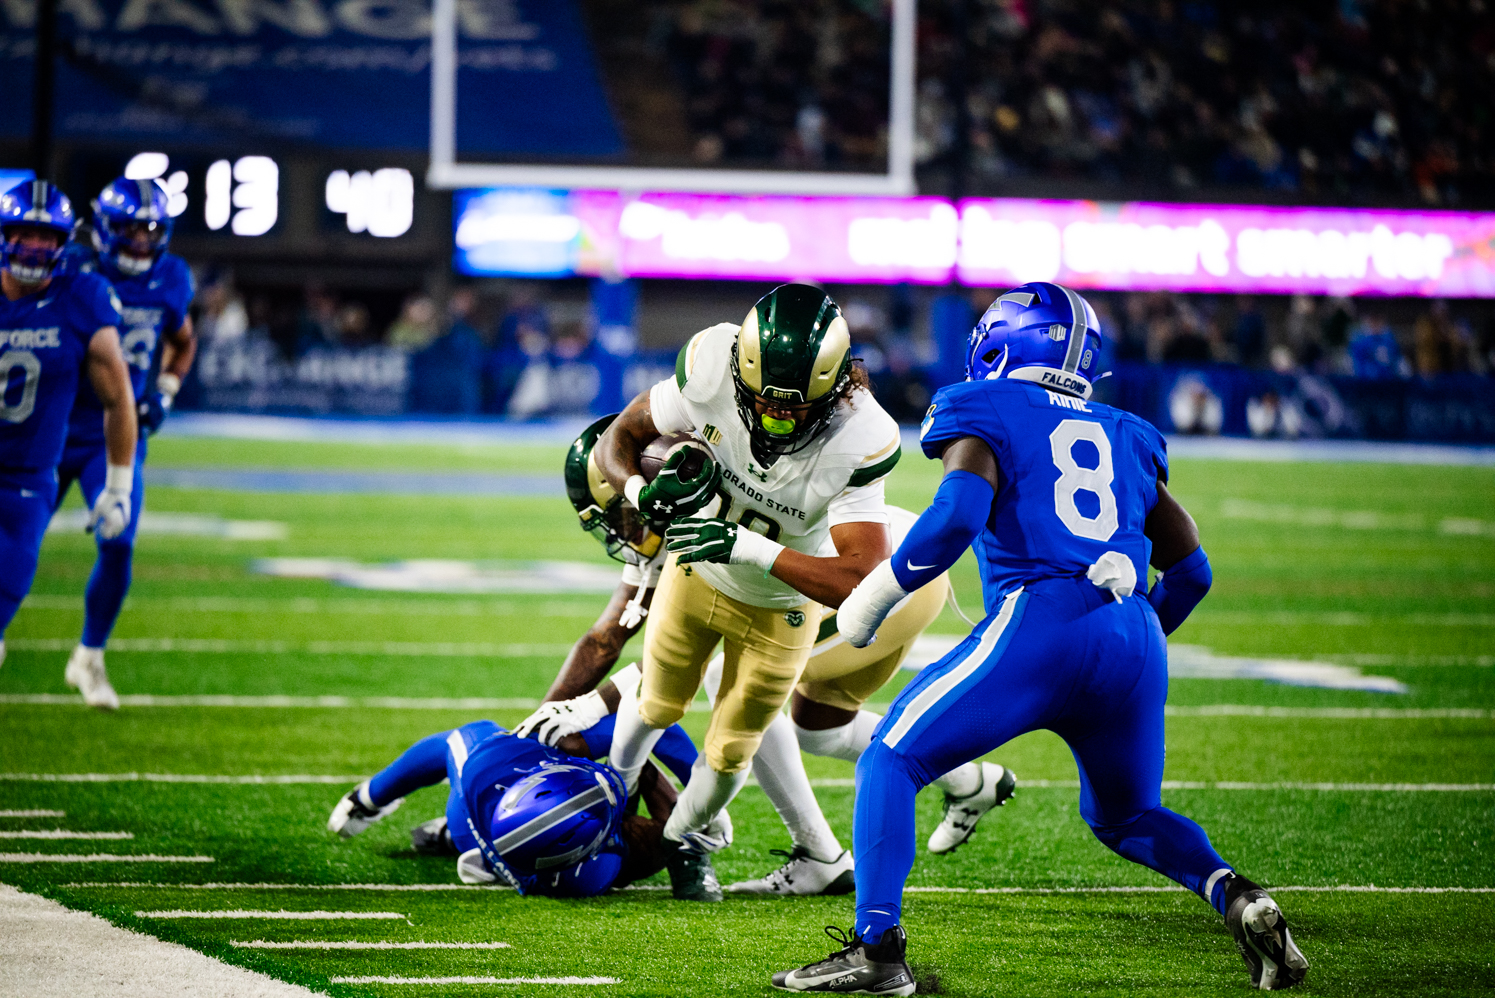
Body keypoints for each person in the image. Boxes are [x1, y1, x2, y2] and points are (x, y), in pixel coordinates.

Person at [773, 282, 1309, 995]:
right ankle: (1239, 896)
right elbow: (1193, 572)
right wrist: (1125, 635)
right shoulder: (1126, 430)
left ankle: (876, 953)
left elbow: (958, 516)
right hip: (1132, 632)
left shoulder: (983, 405)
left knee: (890, 760)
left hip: (1041, 621)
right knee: (1124, 815)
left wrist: (872, 598)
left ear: (998, 344)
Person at [524, 414, 1015, 899]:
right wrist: (537, 731)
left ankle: (819, 855)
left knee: (724, 677)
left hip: (877, 582)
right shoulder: (678, 497)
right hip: (897, 573)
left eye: (623, 516)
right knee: (821, 727)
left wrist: (591, 706)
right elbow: (608, 636)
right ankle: (971, 781)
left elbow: (681, 656)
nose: (626, 532)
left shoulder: (701, 497)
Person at [593, 284, 904, 876]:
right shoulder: (710, 366)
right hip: (697, 570)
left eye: (795, 407)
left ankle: (678, 841)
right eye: (764, 401)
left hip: (782, 605)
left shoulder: (858, 435)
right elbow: (620, 438)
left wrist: (752, 549)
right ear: (739, 373)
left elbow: (863, 579)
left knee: (732, 749)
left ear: (837, 388)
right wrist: (640, 494)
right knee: (655, 700)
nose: (776, 417)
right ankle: (616, 791)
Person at [54, 177, 196, 709]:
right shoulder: (72, 273)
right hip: (50, 426)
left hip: (116, 432)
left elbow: (183, 341)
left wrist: (166, 387)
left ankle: (89, 656)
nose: (140, 241)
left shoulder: (171, 277)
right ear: (105, 230)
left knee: (118, 543)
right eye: (130, 230)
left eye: (151, 230)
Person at [326, 698, 693, 897]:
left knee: (468, 736)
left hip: (474, 820)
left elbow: (449, 745)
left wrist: (373, 793)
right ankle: (461, 845)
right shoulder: (587, 875)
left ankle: (366, 801)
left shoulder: (490, 767)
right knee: (665, 836)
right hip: (500, 840)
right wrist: (702, 795)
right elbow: (655, 719)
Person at [0, 181, 135, 677]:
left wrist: (119, 486)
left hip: (23, 484)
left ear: (65, 244)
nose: (34, 248)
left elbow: (118, 397)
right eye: (23, 234)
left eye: (47, 237)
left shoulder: (81, 298)